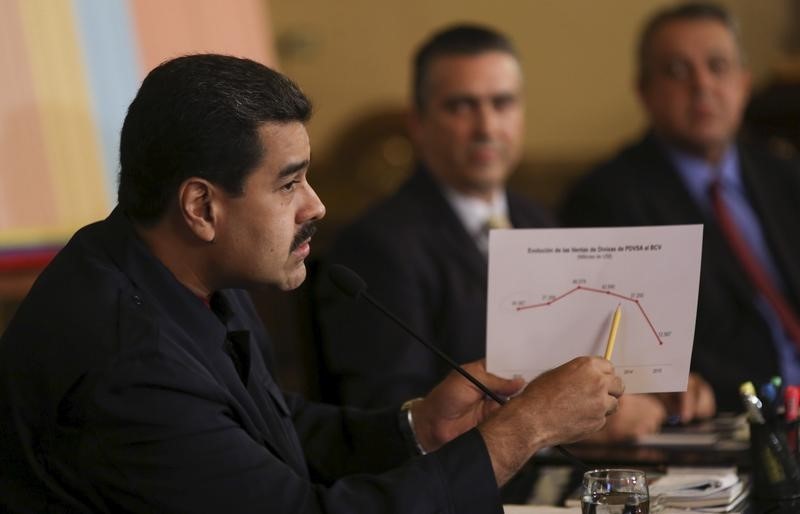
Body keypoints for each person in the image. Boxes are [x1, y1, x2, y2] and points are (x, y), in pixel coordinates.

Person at [0, 54, 624, 513]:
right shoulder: (126, 365)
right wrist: (525, 429)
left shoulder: (183, 267)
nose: (316, 206)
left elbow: (265, 429)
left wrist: (416, 427)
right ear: (201, 207)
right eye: (289, 183)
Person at [315, 24, 693, 442]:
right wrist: (563, 423)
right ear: (418, 123)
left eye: (503, 103)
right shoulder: (376, 245)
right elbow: (392, 414)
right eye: (461, 106)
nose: (487, 126)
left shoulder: (539, 219)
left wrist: (649, 386)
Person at [560, 1, 800, 412]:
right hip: (734, 414)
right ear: (644, 91)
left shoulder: (785, 175)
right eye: (676, 70)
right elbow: (641, 353)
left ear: (744, 83)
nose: (702, 84)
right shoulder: (607, 199)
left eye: (718, 66)